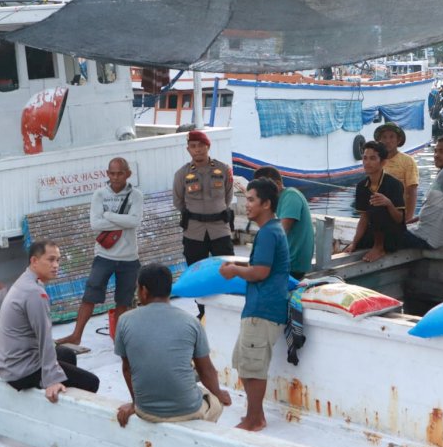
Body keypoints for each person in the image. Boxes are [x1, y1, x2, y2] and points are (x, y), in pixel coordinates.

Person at [115, 263, 232, 427]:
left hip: (146, 411)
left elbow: (127, 369)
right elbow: (206, 371)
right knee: (214, 400)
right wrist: (219, 394)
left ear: (144, 290)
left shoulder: (124, 321)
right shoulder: (191, 322)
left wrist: (136, 404)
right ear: (169, 290)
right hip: (188, 411)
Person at [219, 178, 290, 431]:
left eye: (251, 200)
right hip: (259, 307)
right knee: (246, 364)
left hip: (263, 309)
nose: (246, 205)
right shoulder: (271, 231)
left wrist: (234, 270)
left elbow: (260, 272)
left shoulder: (269, 233)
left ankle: (255, 419)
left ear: (267, 203)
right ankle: (255, 415)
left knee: (253, 367)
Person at [0, 240, 100, 403]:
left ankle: (61, 402)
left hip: (10, 364)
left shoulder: (25, 281)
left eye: (58, 260)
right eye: (51, 260)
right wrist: (51, 379)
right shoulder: (34, 293)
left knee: (67, 354)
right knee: (91, 382)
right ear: (34, 261)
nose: (56, 265)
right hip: (21, 371)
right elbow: (44, 338)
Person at [57, 157, 143, 345]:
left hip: (129, 257)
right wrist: (123, 219)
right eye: (112, 173)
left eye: (120, 173)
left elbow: (135, 222)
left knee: (124, 300)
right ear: (107, 174)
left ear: (128, 174)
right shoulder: (99, 194)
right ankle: (76, 336)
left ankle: (120, 341)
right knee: (90, 296)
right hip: (104, 255)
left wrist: (109, 215)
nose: (116, 177)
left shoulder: (136, 195)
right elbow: (96, 225)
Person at [173, 130, 234, 318]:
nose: (197, 150)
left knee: (227, 269)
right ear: (188, 149)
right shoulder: (182, 174)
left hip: (220, 230)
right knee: (197, 273)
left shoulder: (223, 170)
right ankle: (204, 312)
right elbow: (178, 201)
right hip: (194, 231)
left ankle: (228, 309)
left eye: (201, 145)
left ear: (208, 146)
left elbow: (228, 196)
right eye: (193, 146)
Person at [343, 141, 406, 262]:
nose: (367, 162)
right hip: (375, 232)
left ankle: (379, 248)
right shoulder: (362, 186)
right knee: (355, 245)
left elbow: (399, 219)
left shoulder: (394, 184)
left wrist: (389, 203)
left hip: (394, 235)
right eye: (365, 158)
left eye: (372, 158)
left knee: (378, 204)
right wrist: (354, 243)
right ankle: (374, 245)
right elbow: (364, 218)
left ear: (383, 162)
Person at [252, 166, 314, 279]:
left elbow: (280, 231)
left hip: (292, 264)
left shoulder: (291, 195)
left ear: (277, 183)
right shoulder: (275, 201)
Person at [374, 123, 419, 223]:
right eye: (384, 137)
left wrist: (408, 218)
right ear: (379, 140)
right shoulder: (376, 161)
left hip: (400, 214)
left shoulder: (407, 161)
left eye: (391, 137)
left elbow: (412, 191)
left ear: (398, 140)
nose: (387, 140)